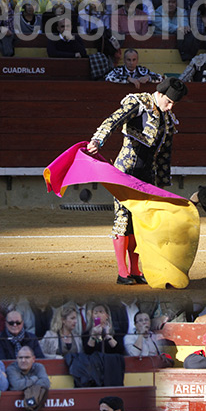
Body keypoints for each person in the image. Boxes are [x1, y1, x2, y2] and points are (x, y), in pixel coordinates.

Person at [87, 76, 187, 284]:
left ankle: (135, 270)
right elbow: (113, 119)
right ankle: (122, 272)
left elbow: (162, 153)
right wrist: (98, 139)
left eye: (173, 104)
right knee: (123, 219)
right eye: (168, 102)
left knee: (141, 222)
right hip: (126, 171)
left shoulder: (167, 117)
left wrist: (159, 181)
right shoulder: (139, 102)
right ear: (159, 94)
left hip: (147, 174)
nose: (169, 107)